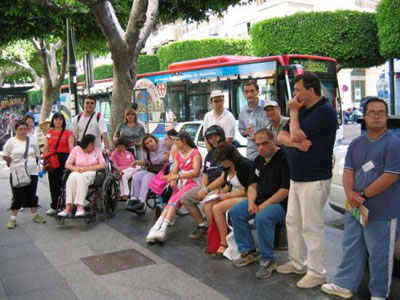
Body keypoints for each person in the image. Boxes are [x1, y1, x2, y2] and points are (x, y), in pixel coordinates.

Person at [321, 98, 400, 300]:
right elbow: (349, 171)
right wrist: (350, 194)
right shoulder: (356, 143)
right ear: (364, 116)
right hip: (355, 207)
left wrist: (362, 195)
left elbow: (390, 177)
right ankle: (344, 285)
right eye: (372, 112)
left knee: (379, 253)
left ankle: (379, 294)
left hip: (382, 210)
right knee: (351, 246)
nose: (376, 116)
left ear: (386, 117)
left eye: (381, 113)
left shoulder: (393, 144)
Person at [277, 72, 337, 288]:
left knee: (311, 227)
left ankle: (316, 271)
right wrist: (295, 144)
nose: (294, 95)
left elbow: (293, 134)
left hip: (315, 178)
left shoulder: (325, 112)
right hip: (297, 177)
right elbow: (281, 137)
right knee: (293, 222)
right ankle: (297, 262)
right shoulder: (301, 109)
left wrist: (293, 112)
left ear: (311, 90)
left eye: (298, 90)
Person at [230, 128, 290, 278]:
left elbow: (284, 190)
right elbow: (252, 185)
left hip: (280, 203)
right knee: (236, 212)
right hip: (259, 200)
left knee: (262, 217)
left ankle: (268, 260)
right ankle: (249, 251)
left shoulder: (284, 158)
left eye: (265, 144)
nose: (261, 148)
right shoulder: (259, 159)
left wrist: (262, 206)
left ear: (274, 141)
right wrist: (251, 203)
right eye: (258, 145)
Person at [146, 131, 201, 243]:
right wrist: (168, 177)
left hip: (192, 183)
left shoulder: (195, 153)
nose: (175, 143)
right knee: (170, 202)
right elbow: (174, 171)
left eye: (177, 141)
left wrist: (176, 176)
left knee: (173, 202)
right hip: (180, 183)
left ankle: (162, 229)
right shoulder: (178, 155)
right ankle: (156, 228)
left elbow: (196, 172)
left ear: (184, 141)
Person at [203, 142, 253, 258]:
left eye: (224, 162)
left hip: (246, 195)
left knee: (217, 208)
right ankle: (215, 239)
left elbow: (250, 189)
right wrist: (224, 191)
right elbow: (229, 182)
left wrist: (228, 196)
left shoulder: (245, 165)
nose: (222, 164)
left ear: (232, 157)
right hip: (234, 193)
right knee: (208, 206)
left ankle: (223, 242)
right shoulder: (226, 167)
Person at [181, 125, 226, 240]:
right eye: (210, 137)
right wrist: (203, 187)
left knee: (208, 206)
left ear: (221, 136)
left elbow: (224, 177)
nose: (213, 139)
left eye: (216, 136)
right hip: (208, 186)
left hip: (221, 187)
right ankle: (203, 225)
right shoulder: (210, 154)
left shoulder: (227, 151)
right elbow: (205, 173)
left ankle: (218, 235)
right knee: (185, 198)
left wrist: (206, 190)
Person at [3, 120, 46, 229]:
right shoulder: (11, 142)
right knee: (17, 195)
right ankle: (13, 218)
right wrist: (12, 162)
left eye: (24, 129)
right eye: (20, 129)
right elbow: (5, 155)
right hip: (17, 172)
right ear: (16, 130)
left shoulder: (32, 141)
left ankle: (35, 215)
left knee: (32, 194)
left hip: (32, 171)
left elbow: (37, 155)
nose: (22, 131)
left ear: (28, 129)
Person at [58, 134, 106, 217]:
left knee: (82, 177)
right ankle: (68, 206)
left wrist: (88, 169)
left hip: (92, 171)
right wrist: (76, 169)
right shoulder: (76, 150)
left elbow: (103, 165)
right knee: (72, 177)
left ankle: (80, 206)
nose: (94, 145)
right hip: (78, 170)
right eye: (92, 144)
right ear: (86, 143)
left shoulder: (97, 150)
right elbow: (67, 164)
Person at [127, 133, 170, 213]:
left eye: (151, 141)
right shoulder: (146, 151)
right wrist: (136, 162)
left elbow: (173, 142)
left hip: (164, 171)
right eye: (147, 143)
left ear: (154, 139)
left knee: (146, 177)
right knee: (136, 176)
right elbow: (145, 162)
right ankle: (134, 198)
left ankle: (142, 202)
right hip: (152, 170)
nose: (150, 144)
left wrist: (171, 154)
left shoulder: (163, 143)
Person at [43, 113, 74, 215]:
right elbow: (46, 148)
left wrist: (72, 162)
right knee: (53, 183)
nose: (58, 121)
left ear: (63, 121)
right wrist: (45, 161)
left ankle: (67, 205)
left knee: (66, 183)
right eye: (56, 119)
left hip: (65, 159)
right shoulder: (48, 133)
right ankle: (54, 205)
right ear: (53, 121)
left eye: (60, 119)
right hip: (52, 159)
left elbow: (71, 149)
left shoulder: (68, 134)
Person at [238, 81, 269, 161]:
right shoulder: (243, 111)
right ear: (244, 93)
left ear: (258, 91)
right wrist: (246, 132)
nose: (249, 94)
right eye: (246, 91)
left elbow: (275, 127)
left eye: (252, 91)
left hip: (268, 151)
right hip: (252, 153)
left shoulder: (267, 107)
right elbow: (241, 130)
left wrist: (260, 136)